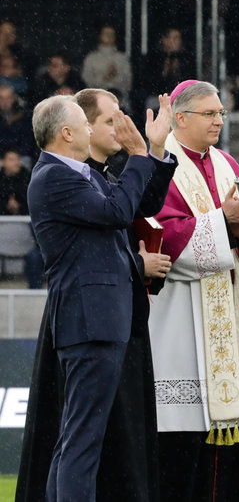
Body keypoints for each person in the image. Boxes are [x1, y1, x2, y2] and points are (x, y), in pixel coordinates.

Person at [15, 90, 176, 502]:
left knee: (76, 440)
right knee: (82, 443)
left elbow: (136, 202)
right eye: (86, 124)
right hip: (90, 322)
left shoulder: (80, 175)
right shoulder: (56, 177)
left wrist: (153, 151)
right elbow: (117, 213)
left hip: (98, 320)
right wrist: (139, 155)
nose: (92, 129)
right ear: (67, 133)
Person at [147, 79, 239, 502]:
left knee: (231, 464)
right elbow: (166, 234)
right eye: (210, 113)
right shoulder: (161, 166)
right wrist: (223, 223)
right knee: (181, 458)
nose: (218, 120)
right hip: (178, 320)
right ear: (181, 118)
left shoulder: (228, 164)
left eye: (221, 113)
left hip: (225, 322)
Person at [81, 24, 133, 100]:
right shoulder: (91, 58)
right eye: (106, 34)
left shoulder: (122, 58)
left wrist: (115, 79)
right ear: (100, 36)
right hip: (96, 98)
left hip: (119, 98)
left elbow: (128, 83)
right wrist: (105, 78)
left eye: (111, 34)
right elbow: (87, 81)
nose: (109, 36)